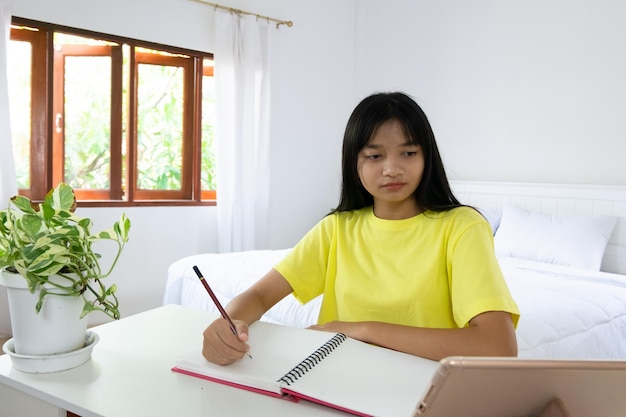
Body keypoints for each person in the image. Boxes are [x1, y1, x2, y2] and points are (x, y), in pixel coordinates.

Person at [202, 91, 520, 365]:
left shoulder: (463, 228)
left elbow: (498, 347)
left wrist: (362, 330)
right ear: (355, 163)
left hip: (421, 392)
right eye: (375, 155)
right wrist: (230, 321)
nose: (392, 168)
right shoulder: (336, 229)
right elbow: (259, 294)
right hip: (335, 382)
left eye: (408, 153)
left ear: (427, 158)